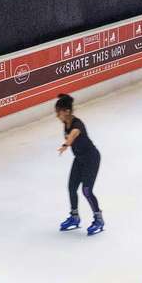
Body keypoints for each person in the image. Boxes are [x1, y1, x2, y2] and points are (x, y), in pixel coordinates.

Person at [54, 94, 105, 236]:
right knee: (71, 188)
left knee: (86, 190)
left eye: (59, 112)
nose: (57, 115)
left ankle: (99, 219)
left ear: (67, 111)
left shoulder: (77, 124)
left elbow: (73, 135)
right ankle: (75, 217)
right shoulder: (66, 123)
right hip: (79, 159)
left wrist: (65, 144)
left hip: (91, 158)